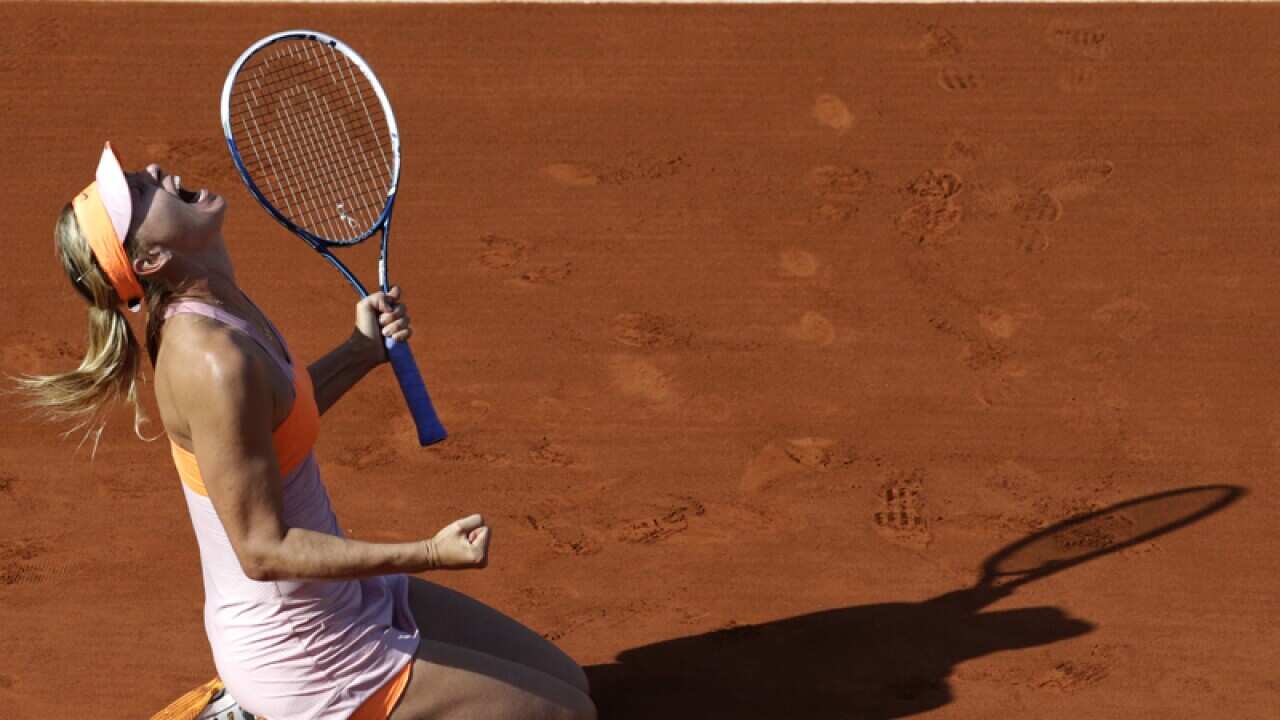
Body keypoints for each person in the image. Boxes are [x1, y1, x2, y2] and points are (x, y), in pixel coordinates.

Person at [15, 142, 596, 720]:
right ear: (150, 259)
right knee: (570, 717)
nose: (155, 171)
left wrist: (359, 352)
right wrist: (427, 553)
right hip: (304, 652)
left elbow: (275, 417)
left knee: (572, 685)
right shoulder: (212, 362)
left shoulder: (219, 303)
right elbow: (263, 550)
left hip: (345, 596)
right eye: (139, 192)